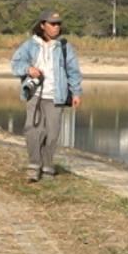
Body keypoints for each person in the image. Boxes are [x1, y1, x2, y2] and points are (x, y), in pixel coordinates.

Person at [10, 9, 83, 182]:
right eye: (52, 24)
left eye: (58, 24)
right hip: (35, 95)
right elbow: (16, 63)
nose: (56, 27)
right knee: (33, 131)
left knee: (52, 134)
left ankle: (48, 165)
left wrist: (76, 93)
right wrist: (28, 69)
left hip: (56, 96)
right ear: (42, 25)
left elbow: (73, 71)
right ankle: (34, 165)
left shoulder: (64, 46)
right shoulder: (30, 45)